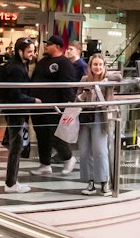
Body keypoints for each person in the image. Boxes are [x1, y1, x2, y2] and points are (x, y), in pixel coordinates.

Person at [31, 36, 78, 177]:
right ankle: (45, 164)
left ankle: (68, 157)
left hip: (55, 108)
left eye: (49, 44)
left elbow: (68, 87)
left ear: (57, 46)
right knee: (41, 135)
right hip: (39, 107)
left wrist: (67, 107)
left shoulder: (64, 64)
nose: (46, 46)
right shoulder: (43, 61)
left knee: (54, 135)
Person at [0, 37, 35, 194]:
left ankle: (12, 181)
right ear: (20, 52)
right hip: (16, 112)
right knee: (16, 146)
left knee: (16, 144)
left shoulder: (16, 66)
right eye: (29, 51)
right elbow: (15, 94)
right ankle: (11, 183)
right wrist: (33, 100)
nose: (32, 54)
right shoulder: (17, 69)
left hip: (14, 111)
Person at [77, 53, 114, 194]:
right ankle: (90, 182)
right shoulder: (84, 79)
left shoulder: (107, 81)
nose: (97, 67)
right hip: (85, 117)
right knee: (85, 151)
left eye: (100, 64)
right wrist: (82, 96)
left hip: (99, 116)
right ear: (90, 66)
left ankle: (104, 182)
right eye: (95, 64)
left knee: (100, 150)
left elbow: (110, 101)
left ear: (104, 66)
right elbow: (77, 99)